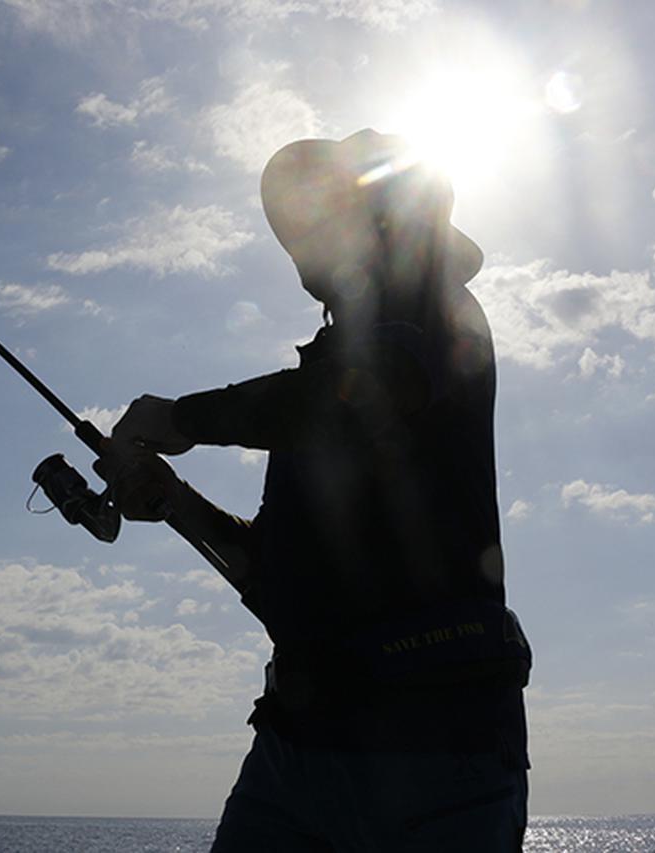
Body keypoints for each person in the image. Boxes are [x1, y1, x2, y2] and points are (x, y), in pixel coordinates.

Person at [96, 129, 531, 851]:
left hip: (437, 750)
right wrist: (175, 499)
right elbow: (271, 576)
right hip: (296, 747)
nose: (300, 243)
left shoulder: (443, 317)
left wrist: (184, 417)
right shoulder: (323, 381)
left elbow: (357, 402)